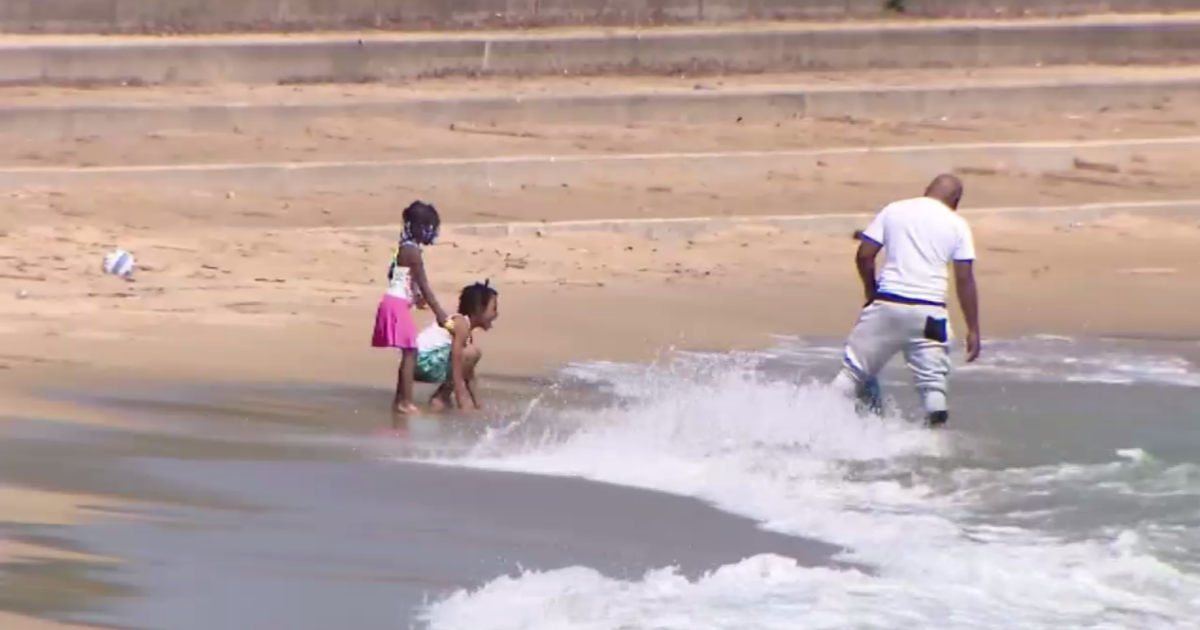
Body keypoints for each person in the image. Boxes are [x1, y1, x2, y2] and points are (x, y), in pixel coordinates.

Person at [832, 174, 981, 427]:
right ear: (955, 201)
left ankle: (817, 424)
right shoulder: (957, 224)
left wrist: (871, 291)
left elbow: (864, 255)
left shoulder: (895, 210)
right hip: (930, 314)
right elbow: (964, 278)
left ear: (927, 190)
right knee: (933, 388)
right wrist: (973, 329)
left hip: (887, 304)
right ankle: (933, 448)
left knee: (852, 374)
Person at [371, 201, 449, 415]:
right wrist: (440, 314)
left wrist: (414, 297)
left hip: (394, 302)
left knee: (409, 352)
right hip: (396, 305)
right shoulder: (412, 251)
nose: (429, 232)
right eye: (427, 226)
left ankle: (400, 400)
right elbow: (424, 284)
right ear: (415, 226)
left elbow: (395, 276)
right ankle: (404, 402)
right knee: (410, 352)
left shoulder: (403, 247)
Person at [415, 281, 499, 412]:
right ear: (478, 309)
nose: (496, 314)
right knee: (471, 353)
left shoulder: (465, 330)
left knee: (469, 356)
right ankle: (441, 397)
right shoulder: (460, 324)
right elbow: (456, 358)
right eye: (493, 309)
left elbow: (469, 374)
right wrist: (461, 395)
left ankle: (442, 397)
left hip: (422, 362)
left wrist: (478, 404)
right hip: (423, 362)